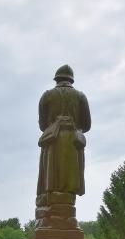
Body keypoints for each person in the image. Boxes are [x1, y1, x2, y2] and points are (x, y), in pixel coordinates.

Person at [37, 65, 91, 198]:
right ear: (71, 80)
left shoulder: (47, 95)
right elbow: (87, 125)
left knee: (51, 181)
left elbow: (43, 125)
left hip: (52, 141)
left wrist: (54, 125)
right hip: (73, 141)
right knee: (69, 184)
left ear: (56, 79)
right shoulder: (80, 96)